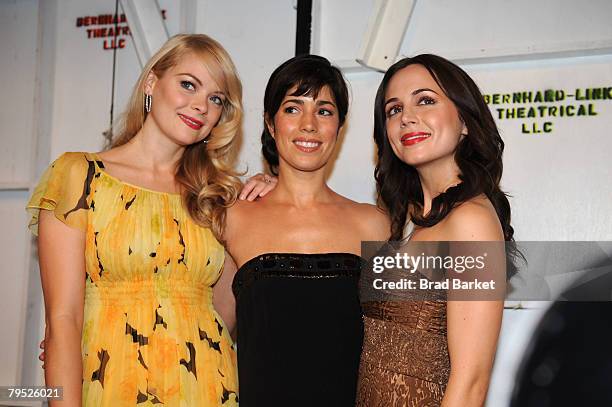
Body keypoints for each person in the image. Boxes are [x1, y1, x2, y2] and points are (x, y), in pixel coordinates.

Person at [27, 34, 242, 406]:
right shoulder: (80, 175)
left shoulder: (217, 197)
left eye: (215, 99)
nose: (201, 106)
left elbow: (222, 314)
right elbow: (62, 321)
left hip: (204, 386)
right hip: (110, 382)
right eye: (188, 84)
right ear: (151, 82)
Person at [222, 54, 389, 406]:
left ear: (339, 127)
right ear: (270, 123)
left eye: (324, 111)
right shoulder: (233, 218)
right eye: (293, 109)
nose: (309, 125)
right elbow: (208, 334)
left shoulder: (373, 223)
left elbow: (407, 340)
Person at [356, 54, 513, 406]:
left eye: (425, 100)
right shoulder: (405, 222)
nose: (407, 117)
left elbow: (471, 382)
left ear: (466, 122)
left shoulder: (471, 221)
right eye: (393, 109)